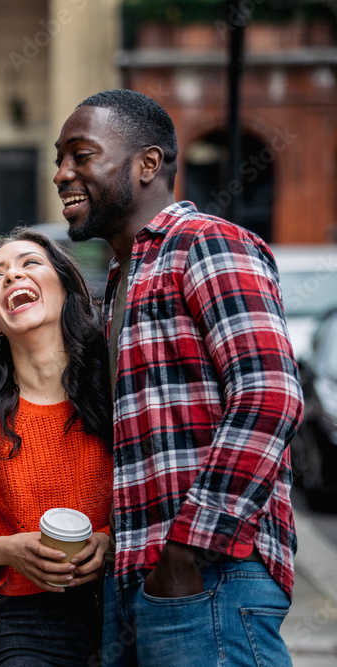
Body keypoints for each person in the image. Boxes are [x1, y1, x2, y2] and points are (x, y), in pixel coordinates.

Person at [53, 89, 304, 666]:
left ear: (147, 164)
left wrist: (187, 552)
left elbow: (270, 398)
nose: (63, 174)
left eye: (81, 155)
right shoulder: (124, 275)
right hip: (144, 583)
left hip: (213, 579)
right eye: (58, 159)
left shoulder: (206, 244)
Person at [0, 227, 113, 665]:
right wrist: (3, 549)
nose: (12, 276)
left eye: (30, 264)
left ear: (67, 290)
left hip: (124, 605)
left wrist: (110, 541)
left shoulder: (116, 384)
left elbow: (157, 487)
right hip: (29, 625)